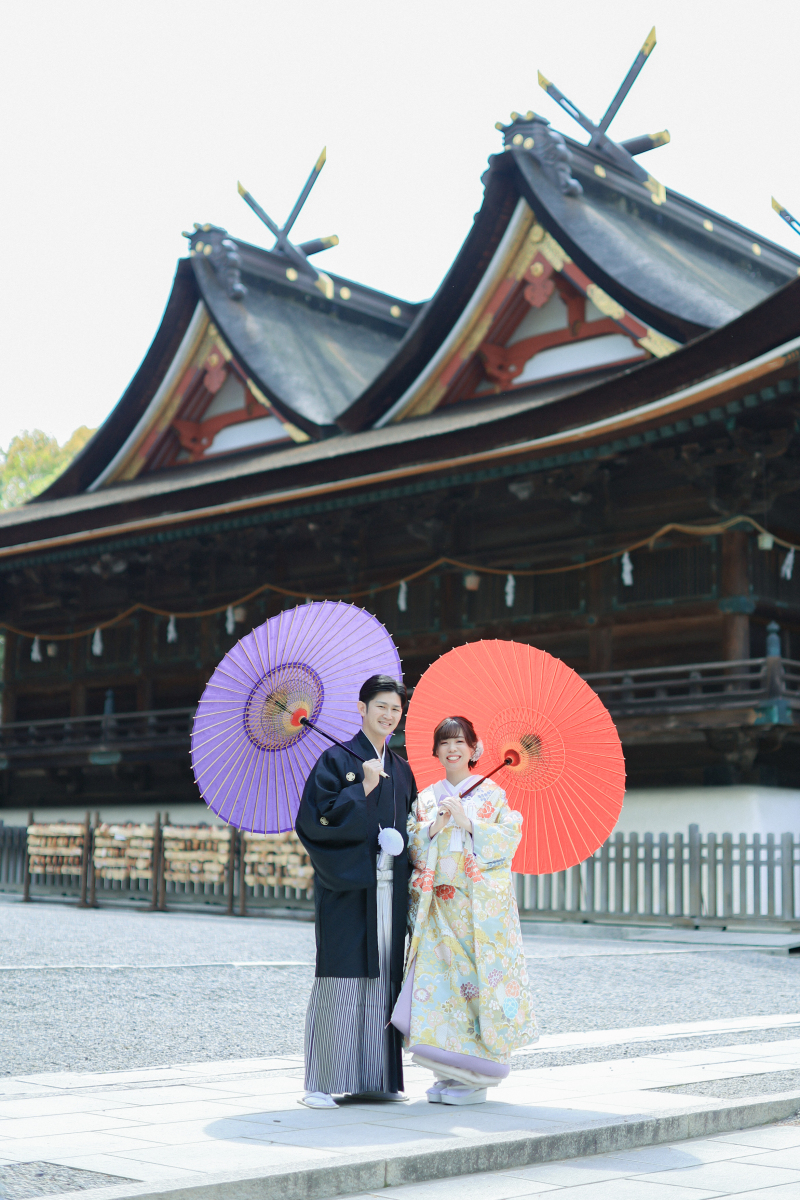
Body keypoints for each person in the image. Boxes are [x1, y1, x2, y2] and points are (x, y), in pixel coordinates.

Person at [394, 715, 537, 1105]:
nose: (452, 749)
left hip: (476, 914)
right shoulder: (426, 798)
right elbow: (413, 846)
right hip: (437, 909)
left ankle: (475, 1078)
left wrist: (469, 821)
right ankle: (447, 1072)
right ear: (437, 750)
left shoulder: (492, 796)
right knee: (438, 989)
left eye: (460, 742)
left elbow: (508, 838)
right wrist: (434, 827)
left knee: (474, 989)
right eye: (444, 742)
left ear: (475, 749)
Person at [295, 674, 417, 1109]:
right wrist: (360, 789)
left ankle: (375, 1078)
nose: (389, 715)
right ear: (361, 709)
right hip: (349, 889)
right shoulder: (335, 760)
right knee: (342, 977)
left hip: (389, 889)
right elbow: (313, 822)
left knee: (384, 977)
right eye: (381, 706)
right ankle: (321, 1082)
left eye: (396, 709)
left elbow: (413, 826)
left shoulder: (402, 769)